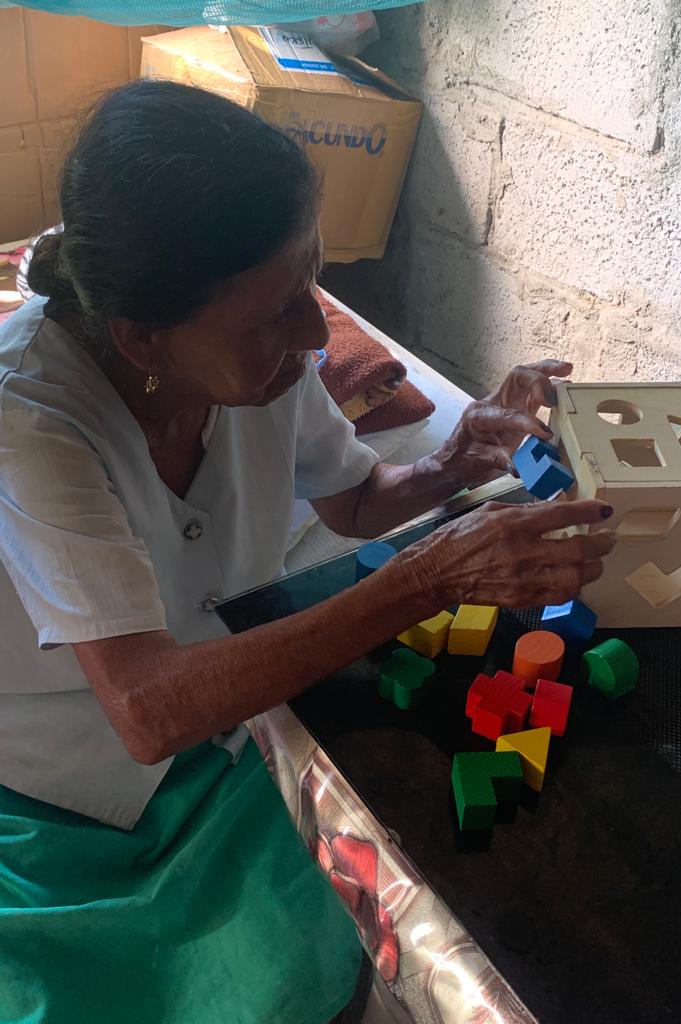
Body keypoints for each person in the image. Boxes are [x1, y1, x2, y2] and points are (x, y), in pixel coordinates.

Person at [0, 79, 615, 1024]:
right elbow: (147, 710)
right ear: (141, 340)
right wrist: (430, 576)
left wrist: (454, 460)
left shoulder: (266, 362)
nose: (317, 334)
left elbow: (358, 499)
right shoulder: (30, 421)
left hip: (234, 731)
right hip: (66, 794)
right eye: (276, 314)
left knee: (375, 895)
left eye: (312, 281)